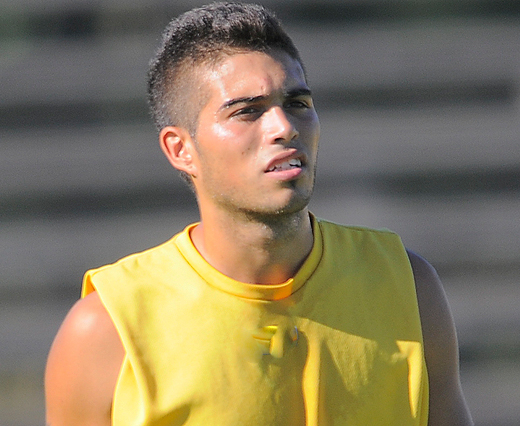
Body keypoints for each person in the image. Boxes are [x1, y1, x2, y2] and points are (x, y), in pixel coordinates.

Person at [44, 3, 473, 425]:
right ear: (181, 149)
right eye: (247, 111)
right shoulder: (106, 329)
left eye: (298, 103)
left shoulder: (408, 288)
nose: (283, 127)